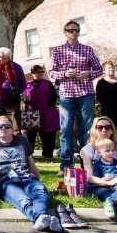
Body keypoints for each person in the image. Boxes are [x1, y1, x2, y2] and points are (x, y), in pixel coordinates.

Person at [0, 115, 63, 233]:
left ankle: (41, 219)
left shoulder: (22, 140)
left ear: (12, 129)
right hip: (6, 181)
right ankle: (41, 218)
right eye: (0, 127)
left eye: (7, 126)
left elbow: (31, 162)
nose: (3, 128)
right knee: (23, 199)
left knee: (40, 191)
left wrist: (37, 180)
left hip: (27, 177)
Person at [48, 20, 102, 175]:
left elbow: (99, 69)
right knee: (66, 130)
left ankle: (88, 164)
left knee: (87, 130)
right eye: (71, 30)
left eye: (77, 30)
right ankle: (66, 166)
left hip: (86, 93)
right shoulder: (58, 51)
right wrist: (65, 74)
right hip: (66, 94)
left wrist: (89, 74)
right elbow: (51, 72)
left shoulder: (88, 49)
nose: (74, 33)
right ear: (65, 32)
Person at [0, 47, 26, 133]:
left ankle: (16, 145)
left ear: (8, 58)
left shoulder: (16, 67)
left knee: (15, 127)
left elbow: (23, 84)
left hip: (12, 101)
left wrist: (16, 91)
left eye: (0, 57)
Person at [24, 64, 60, 160]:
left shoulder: (48, 83)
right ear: (32, 73)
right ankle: (30, 156)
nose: (40, 73)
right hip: (31, 113)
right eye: (38, 72)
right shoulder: (27, 84)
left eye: (42, 72)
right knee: (30, 135)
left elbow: (54, 96)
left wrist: (48, 105)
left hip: (47, 112)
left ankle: (48, 155)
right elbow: (23, 97)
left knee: (48, 134)